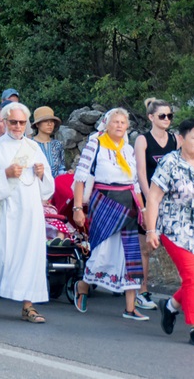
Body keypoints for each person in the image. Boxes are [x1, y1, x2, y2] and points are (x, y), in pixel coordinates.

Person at [143, 117, 194, 347]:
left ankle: (170, 306)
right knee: (192, 279)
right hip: (174, 229)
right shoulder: (170, 162)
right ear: (182, 139)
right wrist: (151, 230)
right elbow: (154, 198)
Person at [0, 102, 53, 323]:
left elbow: (48, 186)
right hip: (5, 211)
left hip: (30, 212)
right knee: (2, 255)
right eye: (13, 122)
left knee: (30, 257)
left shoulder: (33, 148)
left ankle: (28, 306)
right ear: (6, 122)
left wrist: (42, 174)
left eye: (21, 122)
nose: (18, 126)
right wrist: (6, 174)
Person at [72, 107, 147, 319]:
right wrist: (77, 208)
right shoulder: (95, 145)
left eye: (123, 123)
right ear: (106, 124)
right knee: (101, 252)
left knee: (130, 254)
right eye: (115, 122)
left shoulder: (128, 149)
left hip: (128, 203)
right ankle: (83, 286)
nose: (119, 126)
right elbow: (80, 177)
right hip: (104, 202)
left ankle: (130, 307)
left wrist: (143, 209)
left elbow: (135, 183)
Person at [134, 98, 178, 309]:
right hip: (149, 197)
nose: (167, 119)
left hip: (170, 201)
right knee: (145, 248)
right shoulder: (143, 140)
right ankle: (141, 291)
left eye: (169, 115)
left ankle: (185, 293)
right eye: (162, 116)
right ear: (151, 117)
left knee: (177, 245)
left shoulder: (175, 140)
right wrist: (148, 201)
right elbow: (141, 173)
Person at [30, 106, 66, 177]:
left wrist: (67, 173)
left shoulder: (57, 144)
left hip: (55, 183)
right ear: (37, 124)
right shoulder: (29, 144)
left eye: (52, 121)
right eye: (45, 121)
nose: (50, 124)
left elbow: (61, 168)